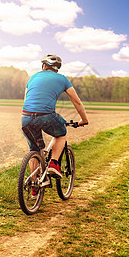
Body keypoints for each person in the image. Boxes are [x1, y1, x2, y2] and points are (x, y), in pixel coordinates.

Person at [21, 54, 88, 197]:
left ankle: (34, 187)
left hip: (25, 117)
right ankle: (53, 163)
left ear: (43, 66)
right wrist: (83, 119)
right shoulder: (62, 79)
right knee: (61, 133)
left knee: (35, 150)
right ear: (57, 69)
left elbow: (26, 99)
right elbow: (76, 101)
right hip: (46, 115)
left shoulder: (33, 77)